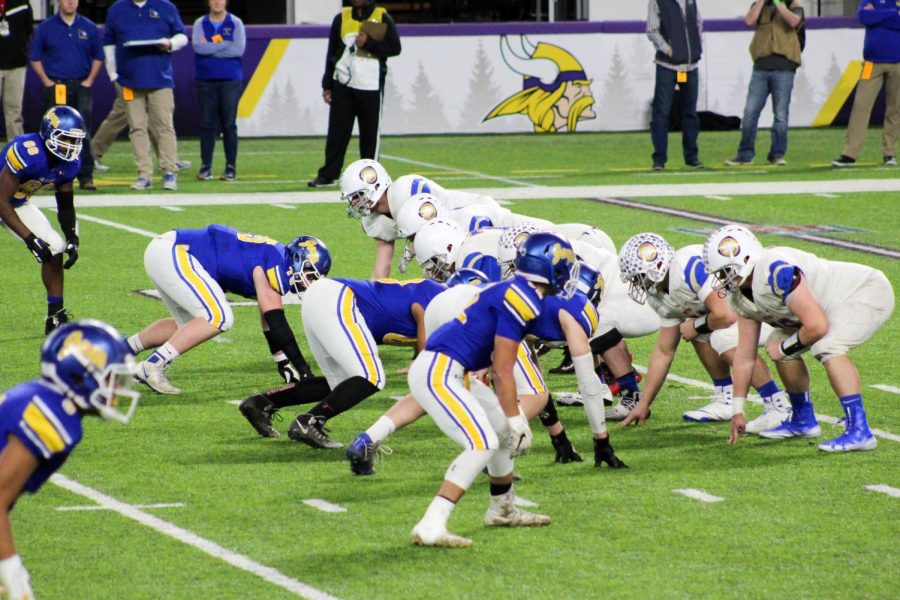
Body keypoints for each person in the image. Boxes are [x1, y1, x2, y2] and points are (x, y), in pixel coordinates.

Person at [406, 232, 575, 548]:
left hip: (450, 369)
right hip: (439, 371)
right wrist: (517, 419)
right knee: (482, 442)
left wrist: (508, 419)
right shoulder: (520, 299)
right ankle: (432, 522)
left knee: (495, 430)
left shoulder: (520, 292)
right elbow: (501, 368)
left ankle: (502, 508)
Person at [703, 225, 895, 452]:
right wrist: (738, 410)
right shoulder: (740, 296)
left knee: (827, 346)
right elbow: (745, 356)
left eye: (725, 272)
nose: (722, 279)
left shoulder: (775, 270)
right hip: (822, 309)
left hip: (863, 290)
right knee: (777, 340)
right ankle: (803, 419)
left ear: (744, 259)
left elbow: (817, 326)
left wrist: (785, 349)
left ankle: (860, 430)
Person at [0, 319, 140, 600]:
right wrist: (13, 573)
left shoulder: (46, 400)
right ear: (79, 377)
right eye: (112, 378)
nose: (117, 390)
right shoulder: (51, 416)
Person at [240, 276, 445, 448]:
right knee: (371, 377)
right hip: (337, 298)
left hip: (327, 299)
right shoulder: (441, 294)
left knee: (342, 384)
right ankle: (309, 422)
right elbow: (422, 310)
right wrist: (422, 358)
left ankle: (261, 403)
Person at [616, 233, 790, 432]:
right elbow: (664, 351)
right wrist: (644, 404)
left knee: (717, 334)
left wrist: (696, 326)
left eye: (639, 277)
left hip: (769, 310)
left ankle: (777, 404)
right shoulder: (659, 295)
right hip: (749, 314)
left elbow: (726, 315)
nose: (637, 283)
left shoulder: (686, 267)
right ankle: (724, 396)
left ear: (656, 267)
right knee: (698, 324)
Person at [128, 226, 328, 395]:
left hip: (165, 250)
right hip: (176, 252)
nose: (309, 283)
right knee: (219, 317)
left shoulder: (275, 258)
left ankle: (122, 349)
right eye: (310, 275)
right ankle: (153, 364)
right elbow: (277, 323)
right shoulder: (277, 265)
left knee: (189, 326)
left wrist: (281, 360)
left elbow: (269, 322)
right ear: (298, 260)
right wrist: (305, 372)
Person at [340, 159, 539, 278]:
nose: (355, 203)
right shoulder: (374, 220)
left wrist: (414, 243)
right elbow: (382, 266)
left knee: (536, 243)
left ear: (374, 184)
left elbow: (439, 224)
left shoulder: (406, 189)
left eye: (357, 196)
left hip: (479, 218)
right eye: (352, 199)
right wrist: (374, 298)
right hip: (454, 243)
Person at [0, 106, 85, 334]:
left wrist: (72, 237)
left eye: (74, 140)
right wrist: (30, 239)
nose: (70, 146)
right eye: (65, 138)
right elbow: (1, 201)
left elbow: (65, 204)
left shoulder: (70, 163)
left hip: (16, 203)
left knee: (54, 248)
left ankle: (55, 316)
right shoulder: (27, 151)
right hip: (4, 201)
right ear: (49, 133)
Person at [307, 0, 401, 188]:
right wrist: (327, 84)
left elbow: (394, 48)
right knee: (337, 133)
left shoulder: (382, 17)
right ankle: (329, 174)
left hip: (371, 86)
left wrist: (369, 43)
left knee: (370, 135)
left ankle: (370, 176)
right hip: (342, 84)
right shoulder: (341, 18)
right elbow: (332, 52)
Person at [103, 0, 188, 191]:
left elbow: (182, 35)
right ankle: (144, 175)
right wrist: (113, 75)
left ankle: (169, 172)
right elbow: (108, 43)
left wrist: (170, 43)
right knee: (136, 128)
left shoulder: (165, 6)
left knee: (164, 126)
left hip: (160, 79)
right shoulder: (117, 8)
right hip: (129, 80)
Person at [28, 0, 104, 191]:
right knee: (53, 133)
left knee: (83, 131)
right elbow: (35, 57)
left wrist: (89, 81)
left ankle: (86, 176)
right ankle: (53, 175)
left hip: (81, 85)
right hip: (56, 86)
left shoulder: (89, 27)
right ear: (59, 2)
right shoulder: (46, 27)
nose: (70, 2)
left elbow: (99, 56)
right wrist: (47, 81)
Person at [725, 0, 803, 167]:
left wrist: (779, 4)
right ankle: (745, 154)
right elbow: (748, 20)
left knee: (780, 115)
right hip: (761, 67)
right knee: (750, 112)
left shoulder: (793, 4)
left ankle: (777, 154)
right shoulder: (760, 5)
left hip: (784, 67)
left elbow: (794, 21)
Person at [832, 0, 900, 168]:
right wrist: (893, 13)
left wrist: (877, 15)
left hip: (898, 62)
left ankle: (889, 153)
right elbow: (864, 17)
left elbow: (873, 18)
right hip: (872, 62)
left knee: (895, 108)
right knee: (860, 106)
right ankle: (849, 154)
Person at [646, 0, 704, 171]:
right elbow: (651, 29)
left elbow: (698, 23)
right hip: (668, 67)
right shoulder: (658, 1)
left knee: (689, 112)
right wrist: (669, 50)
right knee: (662, 112)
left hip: (688, 68)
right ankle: (659, 159)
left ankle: (692, 157)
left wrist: (695, 48)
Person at [192, 0, 245, 182]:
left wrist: (211, 48)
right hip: (205, 80)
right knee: (207, 124)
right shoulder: (200, 23)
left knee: (229, 124)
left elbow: (238, 50)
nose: (217, 2)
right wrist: (225, 44)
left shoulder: (236, 23)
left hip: (230, 80)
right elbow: (198, 48)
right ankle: (206, 166)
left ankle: (231, 167)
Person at [90, 93, 191, 174]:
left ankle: (168, 160)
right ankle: (91, 155)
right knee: (121, 113)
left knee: (153, 116)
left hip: (141, 78)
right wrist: (114, 76)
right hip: (126, 80)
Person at [0, 0, 32, 140]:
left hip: (16, 64)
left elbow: (28, 29)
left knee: (15, 111)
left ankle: (16, 153)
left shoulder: (22, 2)